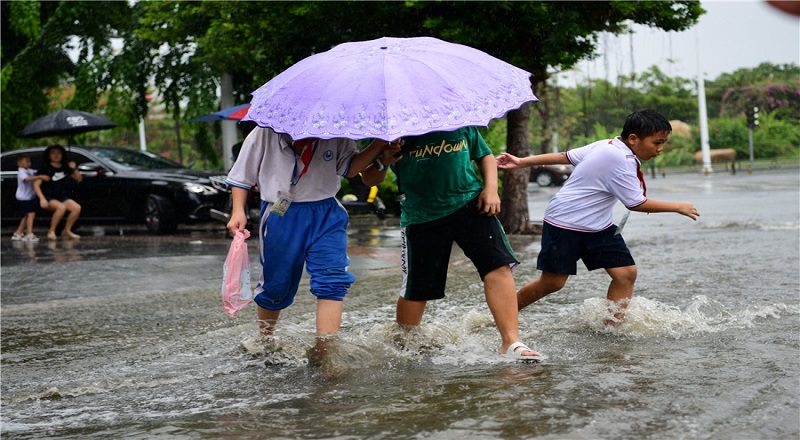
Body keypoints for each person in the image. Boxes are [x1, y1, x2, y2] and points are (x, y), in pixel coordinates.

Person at [496, 109, 700, 324]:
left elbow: (566, 156)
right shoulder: (617, 157)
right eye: (657, 142)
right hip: (566, 222)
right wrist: (677, 206)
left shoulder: (608, 145)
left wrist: (521, 162)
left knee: (626, 274)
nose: (660, 149)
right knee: (552, 283)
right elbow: (636, 203)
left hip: (597, 225)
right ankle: (501, 314)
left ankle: (612, 327)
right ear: (633, 138)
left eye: (663, 143)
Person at [225, 126, 401, 358]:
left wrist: (378, 144)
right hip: (280, 214)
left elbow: (349, 168)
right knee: (277, 284)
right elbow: (241, 177)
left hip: (326, 213)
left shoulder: (335, 129)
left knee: (333, 280)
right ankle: (265, 338)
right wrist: (238, 211)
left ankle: (326, 351)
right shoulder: (264, 132)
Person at [385, 126, 543, 362]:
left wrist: (491, 188)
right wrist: (384, 158)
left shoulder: (457, 120)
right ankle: (406, 346)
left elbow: (484, 154)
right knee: (417, 289)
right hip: (421, 217)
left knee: (497, 266)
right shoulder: (391, 127)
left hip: (472, 203)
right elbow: (369, 177)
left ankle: (511, 342)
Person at [33, 145, 83, 240]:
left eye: (58, 153)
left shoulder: (65, 167)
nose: (56, 155)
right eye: (53, 153)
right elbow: (36, 184)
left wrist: (74, 168)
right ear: (49, 155)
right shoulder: (45, 168)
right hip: (48, 196)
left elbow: (78, 179)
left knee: (76, 208)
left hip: (61, 196)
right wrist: (42, 199)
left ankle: (67, 230)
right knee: (61, 207)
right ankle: (51, 231)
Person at [11, 154, 47, 242]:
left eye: (29, 161)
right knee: (31, 214)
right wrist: (40, 177)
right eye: (26, 161)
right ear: (19, 163)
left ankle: (18, 232)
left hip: (29, 197)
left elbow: (36, 172)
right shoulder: (21, 172)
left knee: (27, 215)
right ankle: (29, 233)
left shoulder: (29, 171)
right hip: (24, 197)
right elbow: (26, 179)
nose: (29, 163)